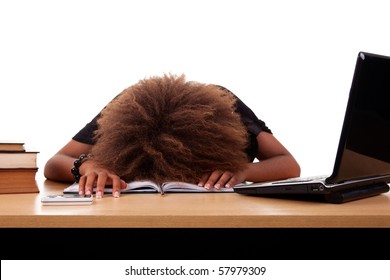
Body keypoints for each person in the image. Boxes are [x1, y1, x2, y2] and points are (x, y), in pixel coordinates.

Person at [44, 74, 300, 198]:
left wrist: (244, 171)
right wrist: (89, 166)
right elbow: (55, 162)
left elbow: (288, 163)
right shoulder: (129, 104)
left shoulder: (229, 107)